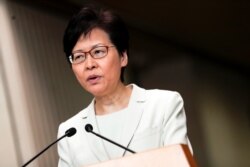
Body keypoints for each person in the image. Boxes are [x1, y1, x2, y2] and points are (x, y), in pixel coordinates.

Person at [57, 4, 192, 167]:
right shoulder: (70, 131)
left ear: (123, 57)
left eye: (98, 52)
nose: (89, 64)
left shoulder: (163, 105)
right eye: (78, 57)